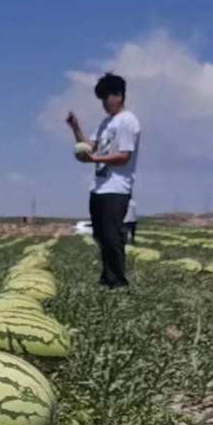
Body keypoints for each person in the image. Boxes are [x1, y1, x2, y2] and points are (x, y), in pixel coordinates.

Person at [66, 72, 140, 289]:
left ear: (118, 95)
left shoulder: (128, 121)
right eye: (101, 100)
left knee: (112, 236)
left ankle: (118, 282)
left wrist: (94, 159)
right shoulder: (107, 122)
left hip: (116, 188)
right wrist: (75, 128)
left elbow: (123, 156)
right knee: (100, 235)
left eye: (106, 98)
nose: (105, 104)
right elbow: (90, 146)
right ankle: (106, 277)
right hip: (98, 187)